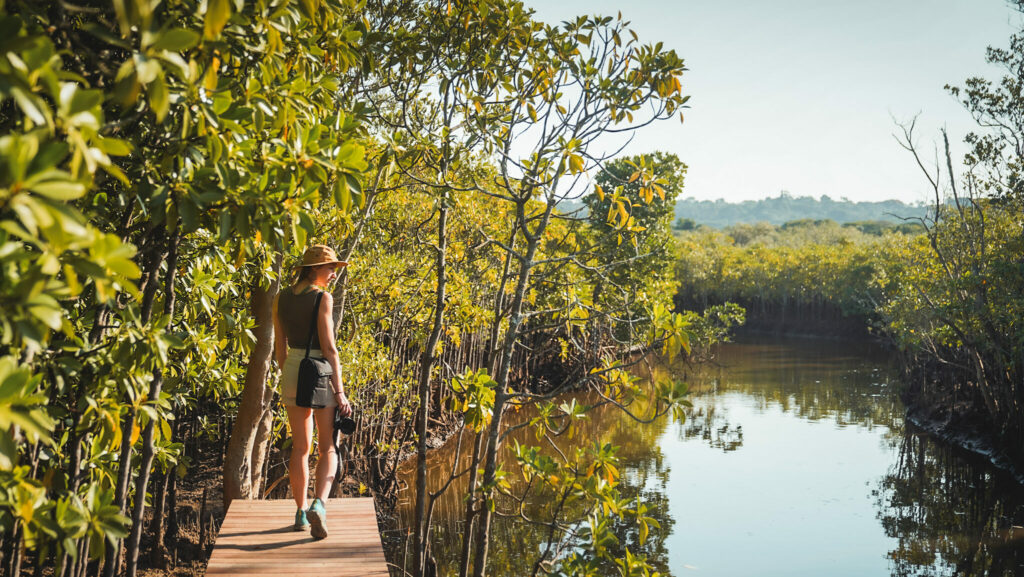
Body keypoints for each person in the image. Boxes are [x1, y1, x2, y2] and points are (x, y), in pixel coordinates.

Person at [272, 244, 353, 540]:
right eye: (330, 268)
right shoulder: (322, 298)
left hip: (293, 370)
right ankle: (319, 504)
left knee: (300, 448)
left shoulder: (280, 298)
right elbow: (329, 348)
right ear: (315, 269)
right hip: (319, 371)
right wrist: (340, 392)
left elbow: (279, 347)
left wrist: (289, 372)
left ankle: (300, 512)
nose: (333, 274)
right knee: (328, 447)